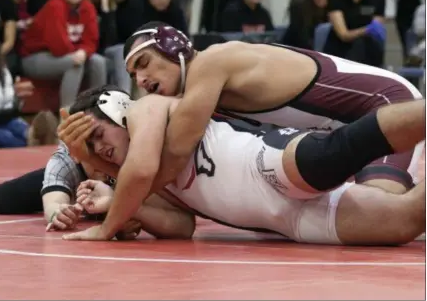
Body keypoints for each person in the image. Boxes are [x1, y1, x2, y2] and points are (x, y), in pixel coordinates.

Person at [58, 85, 425, 246]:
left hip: (265, 161)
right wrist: (110, 190)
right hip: (283, 220)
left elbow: (139, 169)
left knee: (333, 153)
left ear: (117, 111)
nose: (100, 148)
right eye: (91, 147)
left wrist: (107, 227)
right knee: (403, 221)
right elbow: (180, 226)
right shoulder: (144, 179)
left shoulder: (147, 109)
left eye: (98, 135)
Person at [121, 21, 425, 197]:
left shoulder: (211, 63)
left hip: (389, 105)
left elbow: (175, 152)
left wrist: (126, 200)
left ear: (174, 47)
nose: (142, 79)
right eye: (134, 76)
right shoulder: (197, 94)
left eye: (144, 64)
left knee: (378, 206)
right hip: (350, 132)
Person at [0, 140, 194, 240]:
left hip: (116, 191)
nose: (101, 159)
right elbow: (53, 205)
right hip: (71, 186)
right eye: (93, 157)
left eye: (105, 154)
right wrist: (60, 213)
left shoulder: (128, 155)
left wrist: (124, 217)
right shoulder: (65, 161)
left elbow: (178, 223)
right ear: (77, 154)